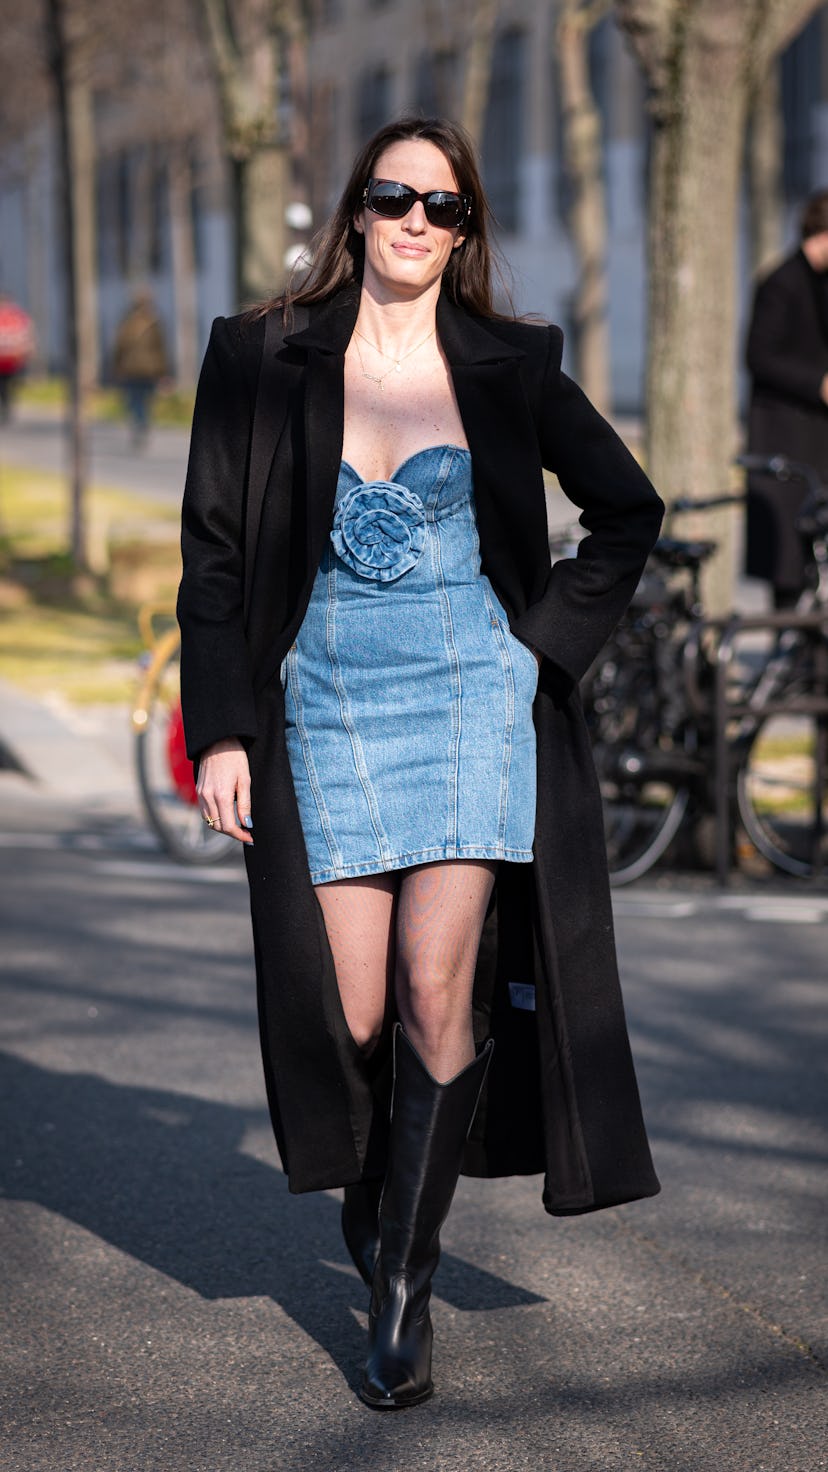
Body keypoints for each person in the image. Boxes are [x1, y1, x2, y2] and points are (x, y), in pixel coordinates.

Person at [177, 116, 663, 1411]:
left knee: (438, 991)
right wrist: (220, 729)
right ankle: (380, 1205)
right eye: (393, 195)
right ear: (354, 212)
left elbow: (629, 511)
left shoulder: (513, 364)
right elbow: (214, 560)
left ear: (466, 232)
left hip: (468, 697)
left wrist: (539, 652)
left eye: (441, 206)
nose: (414, 220)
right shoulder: (258, 356)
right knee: (344, 1009)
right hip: (327, 700)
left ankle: (402, 1283)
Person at [745, 189, 828, 606]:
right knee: (787, 563)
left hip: (817, 437)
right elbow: (758, 356)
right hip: (784, 436)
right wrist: (819, 384)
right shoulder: (781, 282)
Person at [112, 289, 169, 446]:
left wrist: (117, 366)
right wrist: (163, 372)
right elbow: (161, 348)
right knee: (144, 400)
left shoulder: (127, 322)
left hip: (131, 369)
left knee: (135, 400)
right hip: (149, 369)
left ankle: (140, 424)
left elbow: (119, 346)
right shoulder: (154, 322)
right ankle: (142, 424)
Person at [0, 292, 35, 422]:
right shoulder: (18, 316)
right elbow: (27, 335)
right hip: (12, 358)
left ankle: (6, 406)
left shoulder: (17, 316)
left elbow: (26, 335)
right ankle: (7, 405)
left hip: (8, 359)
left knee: (5, 385)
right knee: (7, 385)